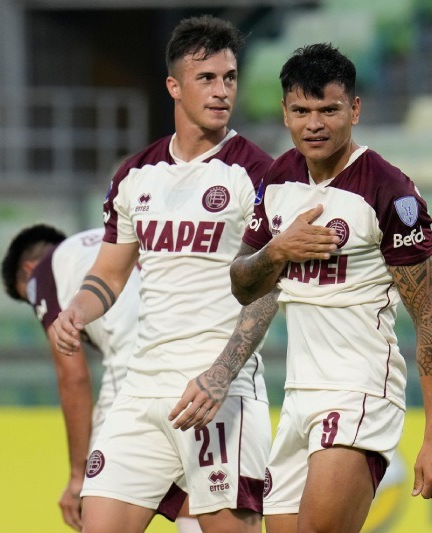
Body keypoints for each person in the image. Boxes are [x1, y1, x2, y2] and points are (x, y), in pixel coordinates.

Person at [51, 15, 276, 533]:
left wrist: (222, 374)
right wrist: (77, 310)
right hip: (141, 390)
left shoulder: (258, 174)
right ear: (174, 86)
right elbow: (109, 274)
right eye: (206, 78)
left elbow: (269, 289)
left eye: (230, 78)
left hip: (220, 392)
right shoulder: (134, 175)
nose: (222, 91)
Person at [225, 43, 432, 533]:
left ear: (354, 109)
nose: (314, 124)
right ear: (284, 112)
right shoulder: (278, 179)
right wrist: (277, 251)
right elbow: (243, 284)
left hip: (359, 389)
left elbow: (428, 316)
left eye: (329, 110)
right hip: (297, 396)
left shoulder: (388, 190)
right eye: (301, 111)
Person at [0, 224, 200, 533]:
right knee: (194, 490)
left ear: (28, 269)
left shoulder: (42, 273)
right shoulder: (111, 238)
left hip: (136, 368)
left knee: (96, 498)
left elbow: (73, 377)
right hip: (195, 354)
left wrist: (76, 476)